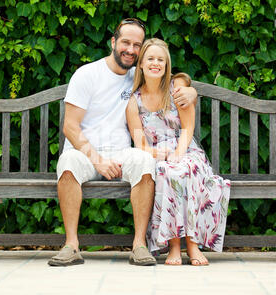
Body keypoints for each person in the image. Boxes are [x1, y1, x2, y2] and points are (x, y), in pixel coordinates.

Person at [48, 19, 198, 267]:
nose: (130, 49)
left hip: (122, 152)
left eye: (137, 45)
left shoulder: (137, 76)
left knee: (144, 161)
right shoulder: (87, 74)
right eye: (125, 42)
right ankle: (72, 245)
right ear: (113, 42)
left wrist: (192, 92)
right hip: (84, 152)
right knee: (67, 163)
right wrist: (97, 160)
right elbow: (70, 127)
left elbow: (168, 77)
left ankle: (139, 245)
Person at [126, 38, 231, 266]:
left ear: (167, 65)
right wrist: (160, 155)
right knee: (166, 172)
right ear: (141, 64)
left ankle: (192, 244)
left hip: (186, 149)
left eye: (161, 60)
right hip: (157, 155)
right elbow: (140, 144)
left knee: (185, 168)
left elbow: (188, 128)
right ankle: (174, 246)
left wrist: (178, 154)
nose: (156, 63)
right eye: (150, 59)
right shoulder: (134, 102)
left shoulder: (177, 90)